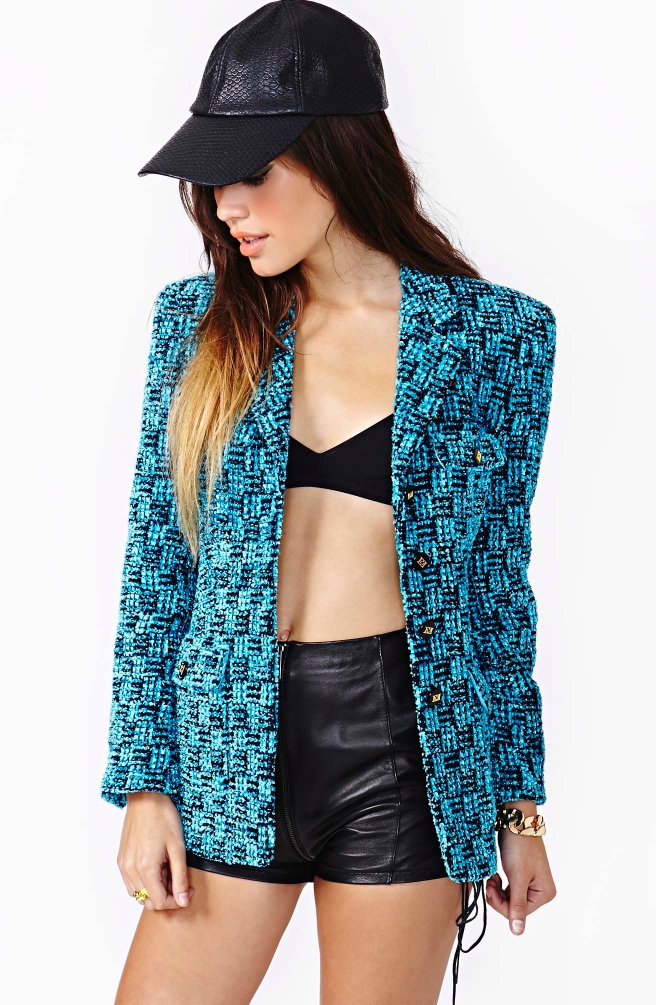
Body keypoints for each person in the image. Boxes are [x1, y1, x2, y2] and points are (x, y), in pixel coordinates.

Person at [100, 3, 557, 1003]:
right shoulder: (198, 325)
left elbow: (494, 588)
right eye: (213, 179)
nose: (227, 206)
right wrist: (145, 781)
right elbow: (158, 564)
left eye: (254, 171)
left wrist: (518, 808)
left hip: (405, 750)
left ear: (337, 155)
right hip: (228, 737)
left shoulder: (496, 338)